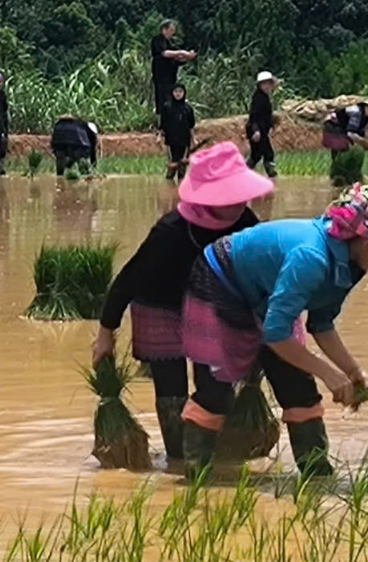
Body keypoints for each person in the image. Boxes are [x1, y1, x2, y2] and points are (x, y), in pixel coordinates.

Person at [180, 184, 368, 478]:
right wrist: (328, 373)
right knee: (217, 386)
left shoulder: (351, 263)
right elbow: (276, 334)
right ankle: (197, 476)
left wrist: (353, 371)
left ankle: (317, 475)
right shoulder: (311, 257)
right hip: (219, 279)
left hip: (264, 292)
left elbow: (321, 324)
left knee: (300, 390)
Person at [93, 143, 268, 459]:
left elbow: (261, 281)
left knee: (215, 382)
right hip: (161, 308)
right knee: (172, 392)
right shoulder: (171, 232)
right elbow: (127, 282)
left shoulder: (246, 224)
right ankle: (178, 458)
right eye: (232, 196)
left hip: (213, 310)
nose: (241, 202)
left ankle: (208, 451)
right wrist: (105, 334)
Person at [151, 20, 196, 115]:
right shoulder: (158, 40)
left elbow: (176, 58)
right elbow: (164, 53)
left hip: (171, 76)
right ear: (164, 30)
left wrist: (188, 57)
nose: (173, 33)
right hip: (161, 75)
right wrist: (181, 52)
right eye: (171, 30)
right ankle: (162, 121)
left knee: (172, 97)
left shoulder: (170, 42)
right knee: (162, 98)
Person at [245, 71, 279, 178]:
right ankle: (270, 174)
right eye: (264, 84)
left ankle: (246, 172)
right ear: (259, 85)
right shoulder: (258, 98)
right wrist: (256, 131)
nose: (266, 86)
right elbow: (254, 116)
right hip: (257, 130)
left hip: (261, 130)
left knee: (259, 154)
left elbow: (265, 116)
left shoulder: (264, 97)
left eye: (268, 84)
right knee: (262, 154)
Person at [160, 84, 197, 181]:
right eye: (176, 91)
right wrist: (160, 138)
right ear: (172, 93)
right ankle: (169, 190)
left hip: (185, 141)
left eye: (180, 92)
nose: (178, 94)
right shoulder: (167, 107)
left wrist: (193, 140)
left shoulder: (188, 109)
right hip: (171, 141)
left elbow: (191, 126)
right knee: (172, 167)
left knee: (182, 168)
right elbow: (162, 125)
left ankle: (179, 192)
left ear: (184, 93)